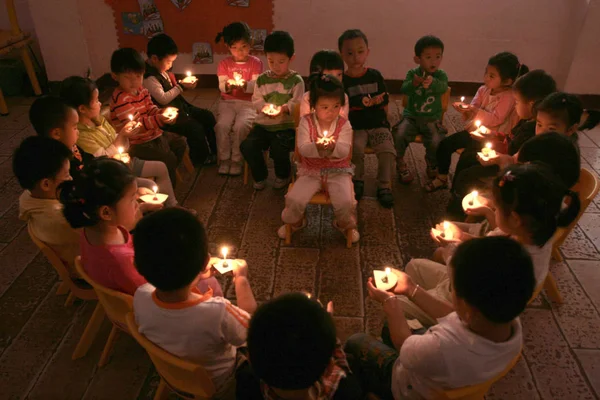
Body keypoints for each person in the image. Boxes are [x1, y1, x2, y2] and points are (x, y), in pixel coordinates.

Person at [345, 236, 533, 399]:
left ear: (468, 308)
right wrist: (411, 289)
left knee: (356, 341)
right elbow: (454, 314)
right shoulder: (507, 319)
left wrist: (391, 303)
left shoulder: (441, 347)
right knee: (389, 328)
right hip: (455, 374)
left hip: (410, 388)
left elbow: (404, 344)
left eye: (454, 290)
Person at [401, 163, 580, 327]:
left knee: (398, 304)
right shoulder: (540, 222)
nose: (494, 208)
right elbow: (490, 243)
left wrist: (450, 251)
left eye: (498, 208)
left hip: (464, 305)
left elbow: (463, 282)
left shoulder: (511, 264)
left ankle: (415, 329)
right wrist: (461, 235)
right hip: (468, 286)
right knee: (414, 266)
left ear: (515, 219)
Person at [133, 208, 257, 395]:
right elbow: (255, 330)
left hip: (173, 376)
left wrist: (197, 275)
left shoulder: (140, 295)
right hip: (221, 382)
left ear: (137, 264)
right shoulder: (218, 312)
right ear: (206, 260)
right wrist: (241, 280)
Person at [59, 158, 220, 296]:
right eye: (132, 199)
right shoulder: (122, 263)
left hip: (139, 270)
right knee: (211, 283)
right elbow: (160, 295)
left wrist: (142, 209)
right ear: (106, 212)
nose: (137, 202)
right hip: (157, 307)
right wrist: (197, 277)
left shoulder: (91, 228)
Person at [445, 70, 557, 219]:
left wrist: (496, 156)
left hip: (509, 169)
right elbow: (510, 138)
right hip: (504, 156)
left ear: (531, 104)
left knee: (467, 175)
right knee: (467, 156)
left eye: (517, 102)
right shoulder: (527, 121)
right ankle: (456, 196)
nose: (515, 107)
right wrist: (494, 135)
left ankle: (458, 211)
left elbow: (515, 156)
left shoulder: (534, 130)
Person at [59, 76, 179, 208]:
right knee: (151, 185)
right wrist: (122, 135)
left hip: (124, 162)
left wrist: (126, 134)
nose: (100, 104)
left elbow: (120, 143)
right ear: (82, 109)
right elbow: (103, 158)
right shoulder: (81, 135)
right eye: (96, 101)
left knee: (161, 167)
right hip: (113, 172)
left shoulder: (98, 119)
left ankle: (173, 205)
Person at [427, 52, 527, 192]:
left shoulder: (508, 97)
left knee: (466, 159)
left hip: (493, 138)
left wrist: (473, 110)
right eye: (486, 73)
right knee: (445, 144)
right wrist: (465, 110)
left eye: (491, 76)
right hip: (475, 132)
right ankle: (442, 176)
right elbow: (474, 107)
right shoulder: (483, 89)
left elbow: (496, 118)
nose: (486, 78)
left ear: (507, 81)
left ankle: (458, 190)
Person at [278, 74, 359, 243]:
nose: (331, 112)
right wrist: (318, 147)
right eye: (325, 107)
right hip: (311, 171)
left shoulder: (344, 124)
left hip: (338, 171)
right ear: (313, 106)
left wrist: (332, 148)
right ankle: (296, 223)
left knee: (346, 201)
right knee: (294, 198)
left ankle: (344, 224)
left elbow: (345, 150)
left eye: (336, 106)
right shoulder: (306, 123)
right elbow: (302, 148)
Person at [244, 293, 362, 400]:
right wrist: (327, 330)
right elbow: (343, 372)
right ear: (329, 368)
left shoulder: (247, 384)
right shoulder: (346, 391)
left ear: (249, 357)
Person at [109, 47, 188, 187]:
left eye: (138, 77)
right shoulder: (120, 100)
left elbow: (150, 108)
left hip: (153, 134)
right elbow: (137, 124)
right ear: (115, 76)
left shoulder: (141, 90)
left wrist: (161, 113)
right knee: (167, 157)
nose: (134, 82)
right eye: (128, 78)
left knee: (180, 142)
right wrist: (159, 119)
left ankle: (167, 175)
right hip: (137, 143)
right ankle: (168, 191)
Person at [240, 31, 304, 190]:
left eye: (281, 61)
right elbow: (256, 99)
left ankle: (283, 174)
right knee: (247, 146)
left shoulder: (296, 81)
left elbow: (297, 104)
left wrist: (283, 109)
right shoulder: (262, 79)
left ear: (291, 58)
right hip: (263, 126)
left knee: (279, 148)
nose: (276, 66)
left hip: (285, 126)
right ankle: (260, 175)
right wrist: (264, 107)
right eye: (271, 61)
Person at [339, 29, 396, 208]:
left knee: (387, 151)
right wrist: (360, 102)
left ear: (367, 52)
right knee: (355, 150)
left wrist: (382, 103)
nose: (356, 57)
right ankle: (357, 180)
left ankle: (384, 186)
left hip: (378, 124)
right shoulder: (343, 80)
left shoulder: (374, 75)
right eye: (350, 53)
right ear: (342, 55)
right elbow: (342, 103)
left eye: (360, 51)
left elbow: (385, 98)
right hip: (356, 126)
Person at [144, 34, 217, 165]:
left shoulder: (160, 69)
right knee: (195, 128)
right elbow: (163, 99)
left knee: (208, 116)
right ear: (155, 58)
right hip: (167, 115)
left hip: (180, 106)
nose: (170, 65)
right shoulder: (149, 78)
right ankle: (200, 158)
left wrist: (182, 83)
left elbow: (169, 86)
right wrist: (181, 86)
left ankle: (215, 150)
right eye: (168, 62)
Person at [13, 136, 78, 275]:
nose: (71, 178)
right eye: (66, 175)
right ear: (46, 184)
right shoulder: (61, 218)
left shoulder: (28, 197)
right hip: (86, 269)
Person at [394, 35, 448, 184]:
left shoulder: (440, 75)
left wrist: (433, 83)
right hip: (411, 116)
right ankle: (400, 162)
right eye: (428, 57)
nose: (434, 61)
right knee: (399, 134)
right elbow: (404, 89)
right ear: (417, 59)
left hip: (432, 118)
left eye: (438, 57)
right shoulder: (413, 74)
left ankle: (431, 162)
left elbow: (443, 87)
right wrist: (414, 83)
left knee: (437, 139)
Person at [214, 22, 263, 176]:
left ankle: (237, 159)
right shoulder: (224, 64)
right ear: (228, 47)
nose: (239, 52)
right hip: (228, 102)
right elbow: (221, 85)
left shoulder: (256, 63)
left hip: (248, 103)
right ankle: (224, 158)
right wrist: (228, 86)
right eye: (234, 47)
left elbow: (256, 85)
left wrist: (245, 86)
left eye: (243, 47)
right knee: (222, 126)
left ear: (251, 44)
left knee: (241, 126)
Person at [299, 50, 349, 119]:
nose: (336, 79)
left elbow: (343, 119)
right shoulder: (308, 97)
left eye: (339, 74)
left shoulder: (343, 96)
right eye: (330, 75)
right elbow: (304, 120)